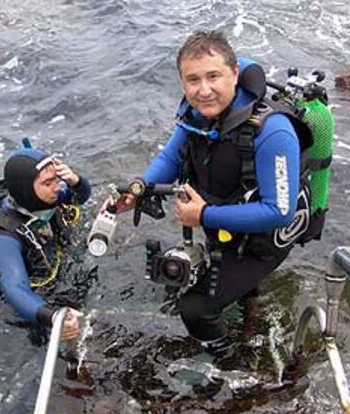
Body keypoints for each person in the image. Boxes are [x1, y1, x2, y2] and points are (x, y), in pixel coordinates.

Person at [110, 30, 312, 346]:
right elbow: (170, 157)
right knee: (219, 282)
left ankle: (228, 364)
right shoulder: (195, 117)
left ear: (234, 74)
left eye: (213, 76)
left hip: (264, 238)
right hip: (221, 223)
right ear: (182, 83)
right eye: (193, 80)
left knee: (194, 307)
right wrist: (139, 189)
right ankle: (250, 311)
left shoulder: (273, 131)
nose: (203, 90)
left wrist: (204, 215)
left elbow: (280, 211)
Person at [0, 146, 92, 342]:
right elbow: (15, 288)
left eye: (57, 179)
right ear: (26, 189)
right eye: (48, 182)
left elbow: (79, 197)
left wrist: (74, 180)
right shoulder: (1, 238)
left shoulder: (41, 197)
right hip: (15, 289)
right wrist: (52, 317)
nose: (58, 187)